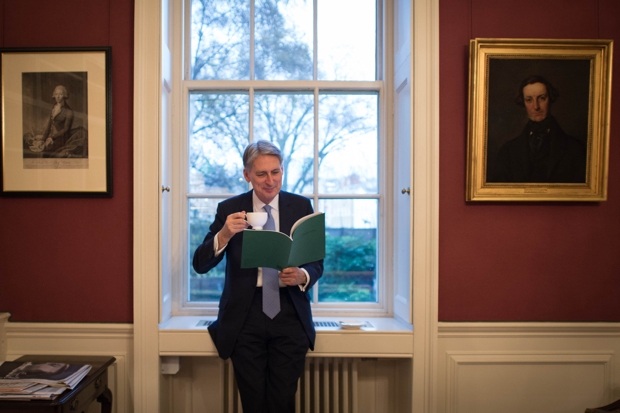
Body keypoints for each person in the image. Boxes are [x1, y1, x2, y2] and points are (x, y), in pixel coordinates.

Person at [192, 140, 323, 413]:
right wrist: (224, 234)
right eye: (261, 174)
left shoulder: (301, 206)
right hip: (245, 316)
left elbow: (316, 263)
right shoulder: (229, 209)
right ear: (247, 175)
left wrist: (302, 275)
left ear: (282, 170)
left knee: (282, 403)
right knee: (253, 403)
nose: (270, 181)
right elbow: (200, 265)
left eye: (275, 172)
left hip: (289, 314)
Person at [488, 75, 587, 183]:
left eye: (542, 98)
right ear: (523, 102)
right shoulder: (508, 151)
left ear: (550, 99)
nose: (536, 106)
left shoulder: (575, 149)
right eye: (529, 100)